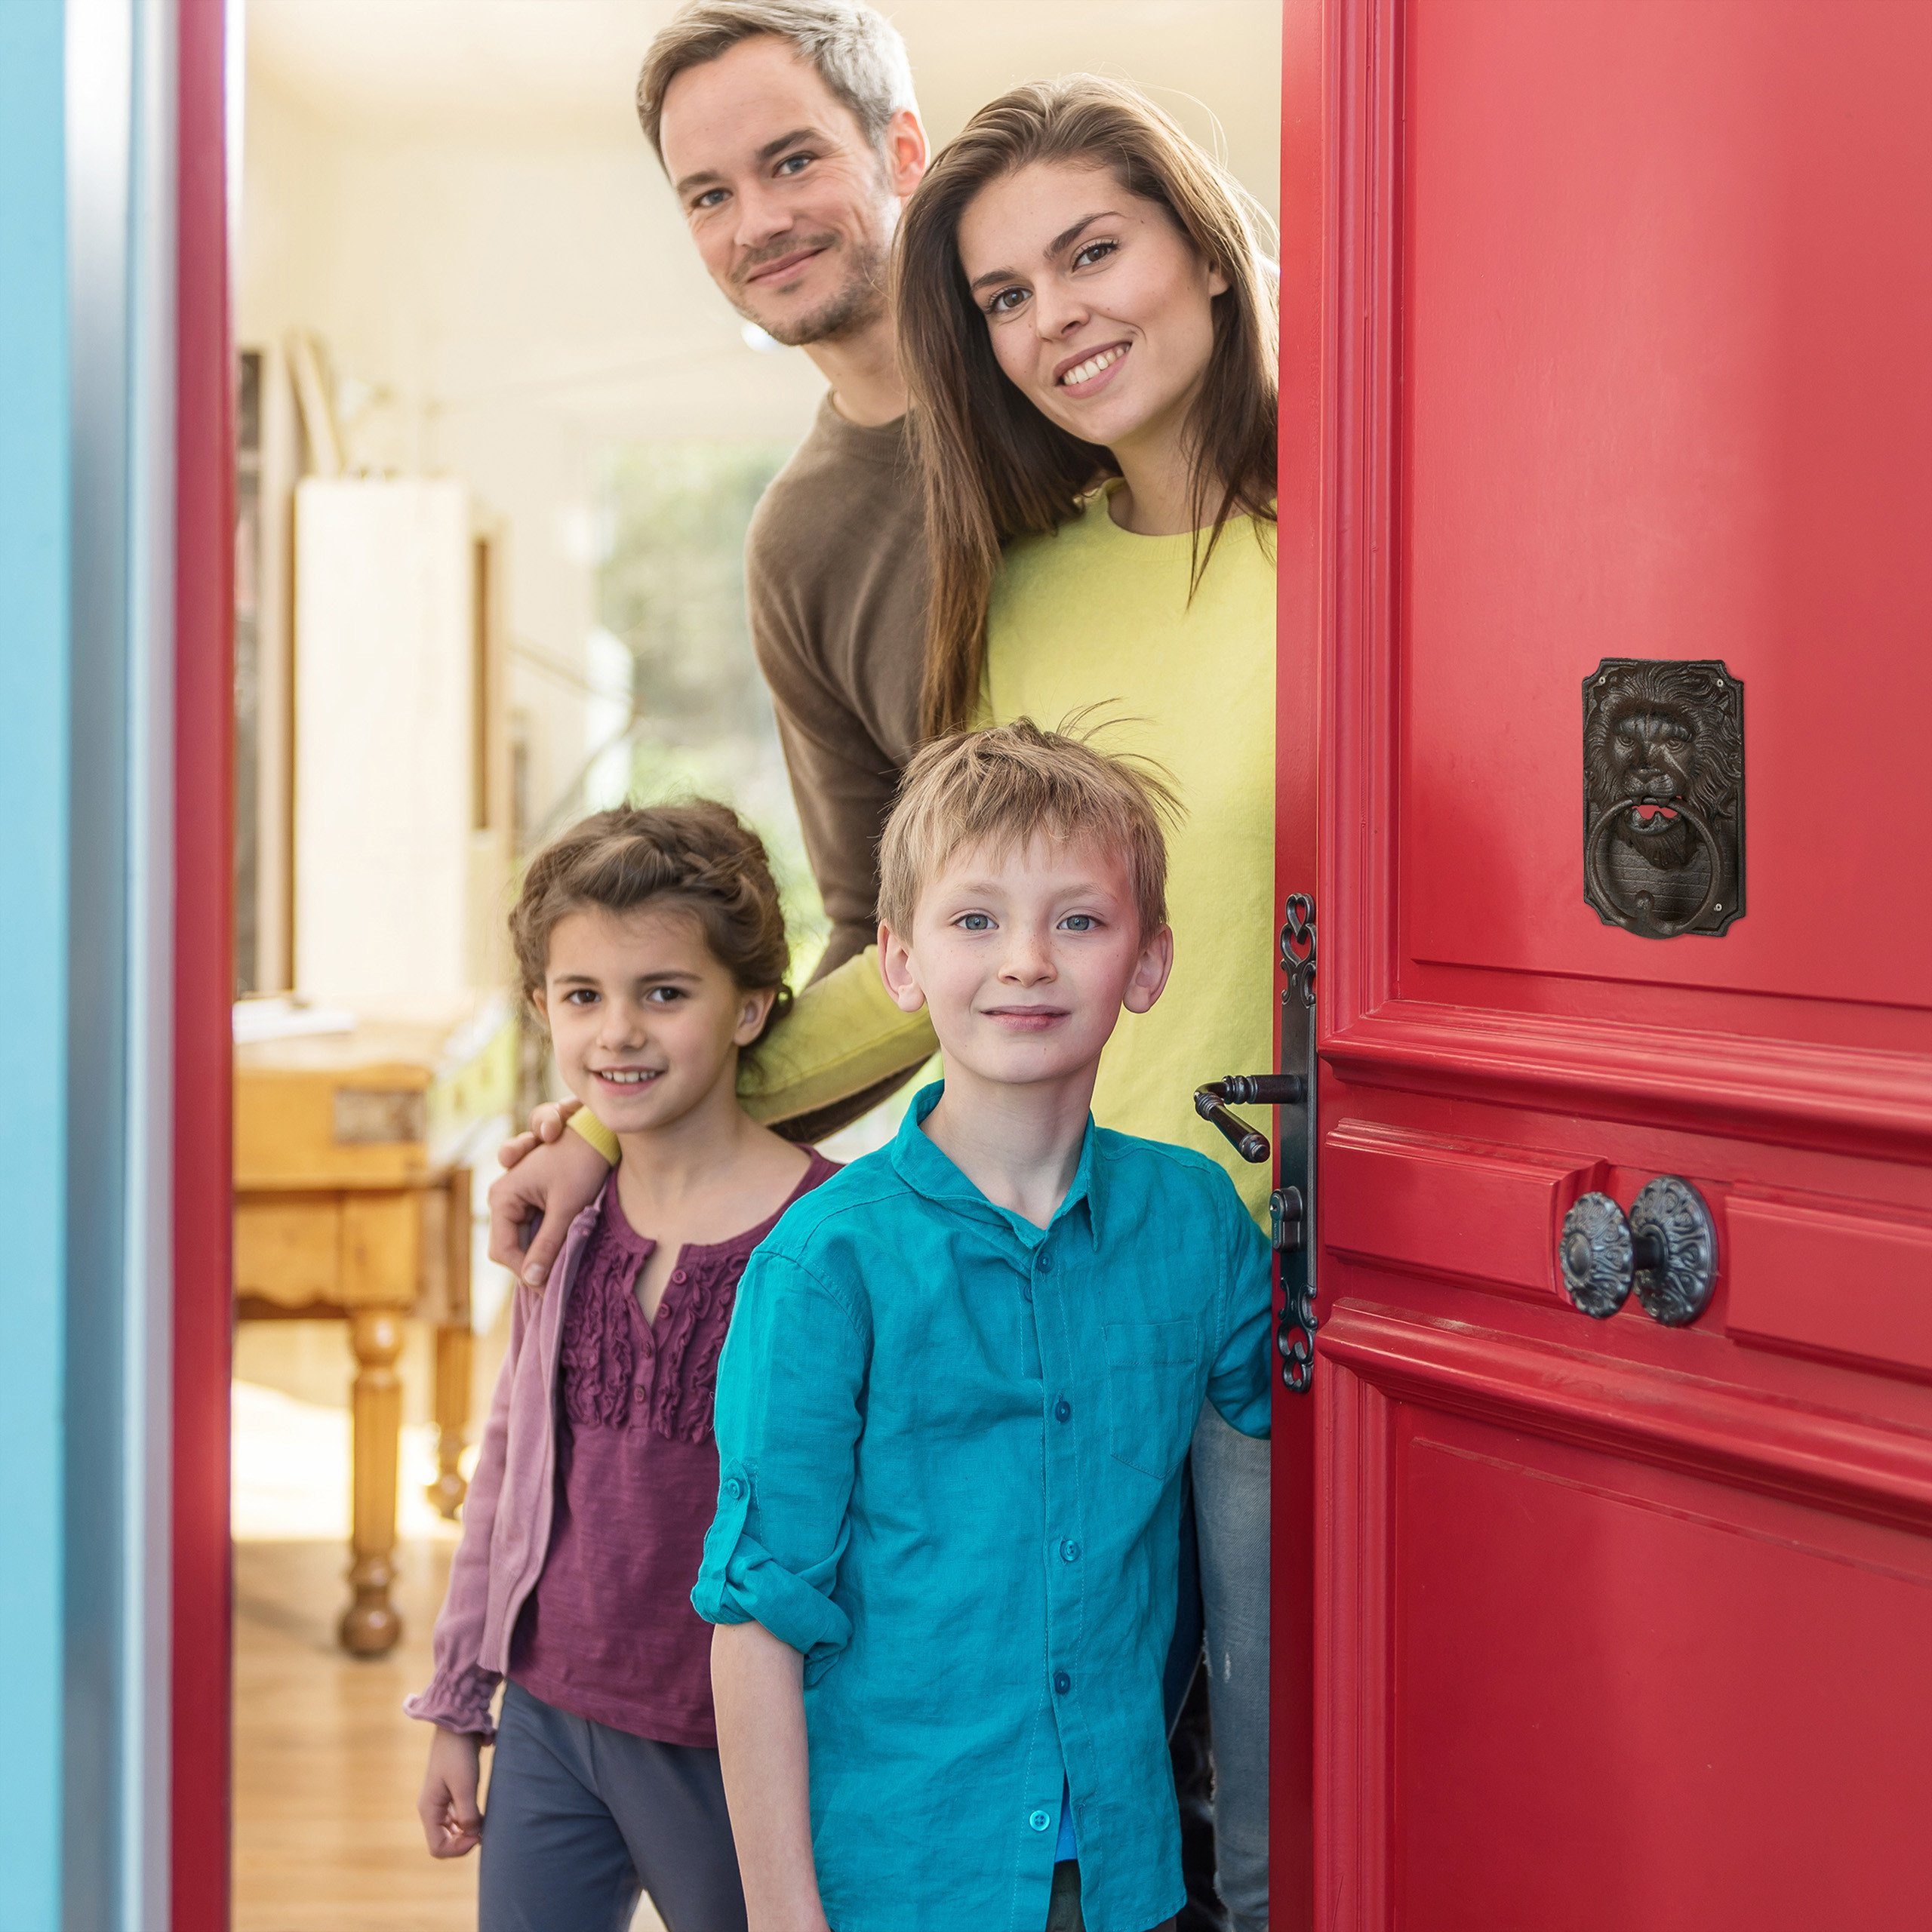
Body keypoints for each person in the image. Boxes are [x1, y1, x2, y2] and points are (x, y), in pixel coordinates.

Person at [494, 67, 1281, 1932]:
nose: (1054, 317)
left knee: (1272, 1815)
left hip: (1269, 1264)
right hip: (1052, 1263)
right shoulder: (1014, 586)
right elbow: (915, 946)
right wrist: (624, 1113)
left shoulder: (1376, 538)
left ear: (1205, 250)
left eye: (1092, 254)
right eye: (1005, 295)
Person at [697, 719, 1272, 1932]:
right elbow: (757, 1622)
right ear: (900, 963)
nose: (1027, 961)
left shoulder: (1199, 1224)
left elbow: (1273, 1521)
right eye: (975, 922)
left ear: (1149, 963)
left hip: (1124, 1875)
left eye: (1079, 920)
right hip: (895, 1876)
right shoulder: (821, 1266)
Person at [408, 802, 838, 1931]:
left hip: (735, 1741)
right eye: (581, 996)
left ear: (750, 1008)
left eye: (665, 993)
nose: (618, 1035)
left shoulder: (833, 1236)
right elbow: (504, 1472)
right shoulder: (566, 1225)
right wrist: (463, 1704)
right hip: (551, 1716)